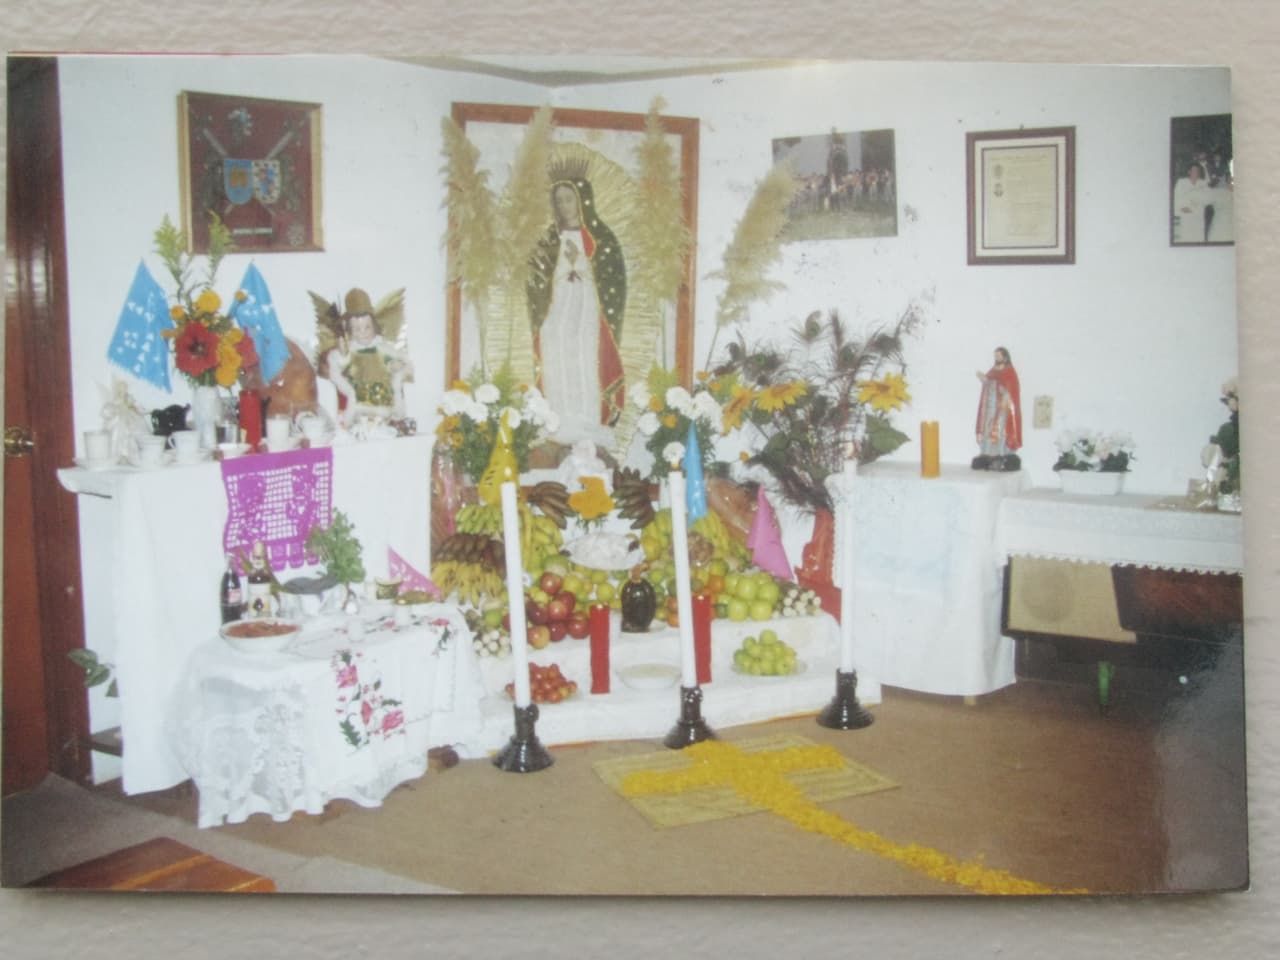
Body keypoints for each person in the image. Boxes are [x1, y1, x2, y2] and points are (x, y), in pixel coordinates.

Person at [526, 171, 626, 446]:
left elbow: (610, 278)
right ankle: (556, 420)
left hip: (587, 305)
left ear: (582, 201)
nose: (564, 206)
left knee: (586, 351)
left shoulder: (600, 238)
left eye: (569, 199)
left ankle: (587, 421)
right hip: (558, 303)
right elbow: (537, 280)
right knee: (553, 344)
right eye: (558, 201)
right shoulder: (549, 239)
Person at [325, 288, 413, 422]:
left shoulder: (383, 349)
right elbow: (338, 370)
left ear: (374, 327)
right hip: (358, 409)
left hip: (384, 408)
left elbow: (398, 364)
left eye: (367, 327)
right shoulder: (349, 351)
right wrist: (342, 356)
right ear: (350, 331)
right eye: (357, 329)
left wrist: (395, 366)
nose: (363, 333)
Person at [972, 346, 1022, 471]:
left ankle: (1001, 453)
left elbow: (1012, 388)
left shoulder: (1009, 371)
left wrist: (1006, 396)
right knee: (988, 428)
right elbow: (989, 382)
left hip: (1002, 408)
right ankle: (988, 452)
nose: (996, 357)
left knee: (1000, 430)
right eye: (995, 355)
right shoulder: (993, 370)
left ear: (1005, 357)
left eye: (998, 355)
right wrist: (984, 379)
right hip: (991, 406)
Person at [1172, 161, 1211, 243]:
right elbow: (1176, 197)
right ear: (1189, 172)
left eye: (1197, 171)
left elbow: (1208, 199)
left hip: (1198, 216)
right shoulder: (1181, 182)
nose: (1196, 173)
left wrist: (1197, 204)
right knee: (1185, 238)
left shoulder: (1203, 183)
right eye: (1194, 170)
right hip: (1185, 214)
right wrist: (1182, 208)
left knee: (1198, 238)